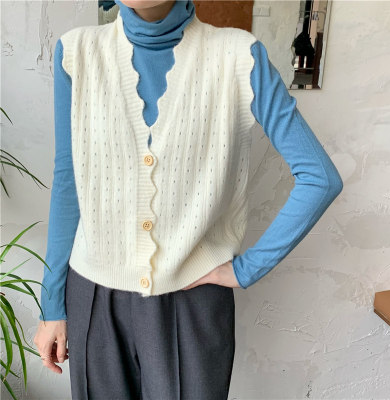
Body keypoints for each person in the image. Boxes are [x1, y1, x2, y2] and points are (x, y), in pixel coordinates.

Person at [34, 1, 343, 399]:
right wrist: (52, 305)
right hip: (92, 297)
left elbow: (320, 177)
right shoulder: (76, 53)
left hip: (192, 299)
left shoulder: (238, 57)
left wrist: (246, 269)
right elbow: (68, 182)